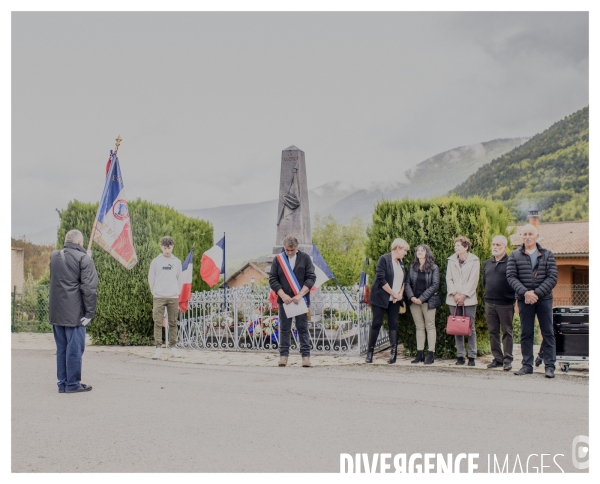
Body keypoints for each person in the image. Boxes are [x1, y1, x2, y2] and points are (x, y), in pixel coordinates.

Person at [48, 229, 98, 393]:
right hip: (75, 314)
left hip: (57, 312)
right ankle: (73, 384)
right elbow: (89, 288)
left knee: (61, 349)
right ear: (79, 242)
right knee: (74, 350)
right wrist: (89, 313)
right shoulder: (84, 259)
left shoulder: (54, 256)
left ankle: (62, 383)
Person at [506, 224, 558, 378]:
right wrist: (525, 293)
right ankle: (527, 365)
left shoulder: (548, 254)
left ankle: (549, 366)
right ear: (522, 237)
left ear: (537, 236)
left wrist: (535, 293)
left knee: (548, 332)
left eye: (530, 234)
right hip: (524, 300)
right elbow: (511, 277)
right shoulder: (515, 255)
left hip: (544, 300)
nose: (527, 237)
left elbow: (552, 277)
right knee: (526, 333)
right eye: (524, 234)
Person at [268, 235, 316, 367]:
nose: (290, 253)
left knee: (302, 328)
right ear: (284, 247)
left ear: (297, 247)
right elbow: (273, 279)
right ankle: (283, 356)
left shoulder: (305, 258)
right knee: (284, 328)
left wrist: (300, 295)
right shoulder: (279, 260)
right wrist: (283, 295)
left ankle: (306, 357)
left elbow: (311, 277)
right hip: (284, 300)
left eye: (292, 250)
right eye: (287, 250)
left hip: (300, 300)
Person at [365, 238, 409, 364]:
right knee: (376, 323)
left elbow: (404, 280)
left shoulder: (401, 262)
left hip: (394, 300)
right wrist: (394, 293)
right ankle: (370, 353)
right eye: (404, 250)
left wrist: (400, 294)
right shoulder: (383, 259)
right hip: (380, 297)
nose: (405, 253)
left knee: (393, 324)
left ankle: (393, 354)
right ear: (397, 248)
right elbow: (381, 280)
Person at [446, 236, 480, 366]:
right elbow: (448, 278)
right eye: (455, 245)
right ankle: (460, 356)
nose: (455, 247)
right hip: (453, 299)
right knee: (456, 328)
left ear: (466, 247)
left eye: (458, 245)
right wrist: (454, 294)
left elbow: (473, 280)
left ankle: (472, 356)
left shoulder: (474, 260)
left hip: (469, 299)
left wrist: (464, 295)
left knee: (470, 327)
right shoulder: (451, 260)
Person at [483, 235, 515, 371]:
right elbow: (485, 282)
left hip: (505, 303)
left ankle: (508, 359)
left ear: (505, 247)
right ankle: (498, 358)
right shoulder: (487, 263)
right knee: (493, 332)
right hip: (489, 302)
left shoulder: (511, 263)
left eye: (498, 245)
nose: (495, 247)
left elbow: (514, 282)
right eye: (493, 244)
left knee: (507, 331)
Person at [404, 244, 441, 365]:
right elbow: (407, 282)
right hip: (414, 302)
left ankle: (431, 354)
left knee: (430, 326)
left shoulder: (434, 267)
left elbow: (435, 285)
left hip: (428, 302)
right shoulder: (412, 267)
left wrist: (421, 298)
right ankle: (419, 353)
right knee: (419, 327)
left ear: (427, 253)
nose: (419, 252)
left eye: (422, 250)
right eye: (418, 250)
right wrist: (412, 297)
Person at [148, 236, 183, 359]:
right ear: (161, 247)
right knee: (157, 322)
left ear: (172, 246)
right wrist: (155, 292)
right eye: (165, 247)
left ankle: (173, 348)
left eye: (169, 247)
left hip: (173, 296)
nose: (167, 250)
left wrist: (176, 292)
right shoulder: (156, 261)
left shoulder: (177, 262)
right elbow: (151, 278)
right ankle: (158, 348)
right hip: (159, 296)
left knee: (173, 322)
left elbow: (180, 279)